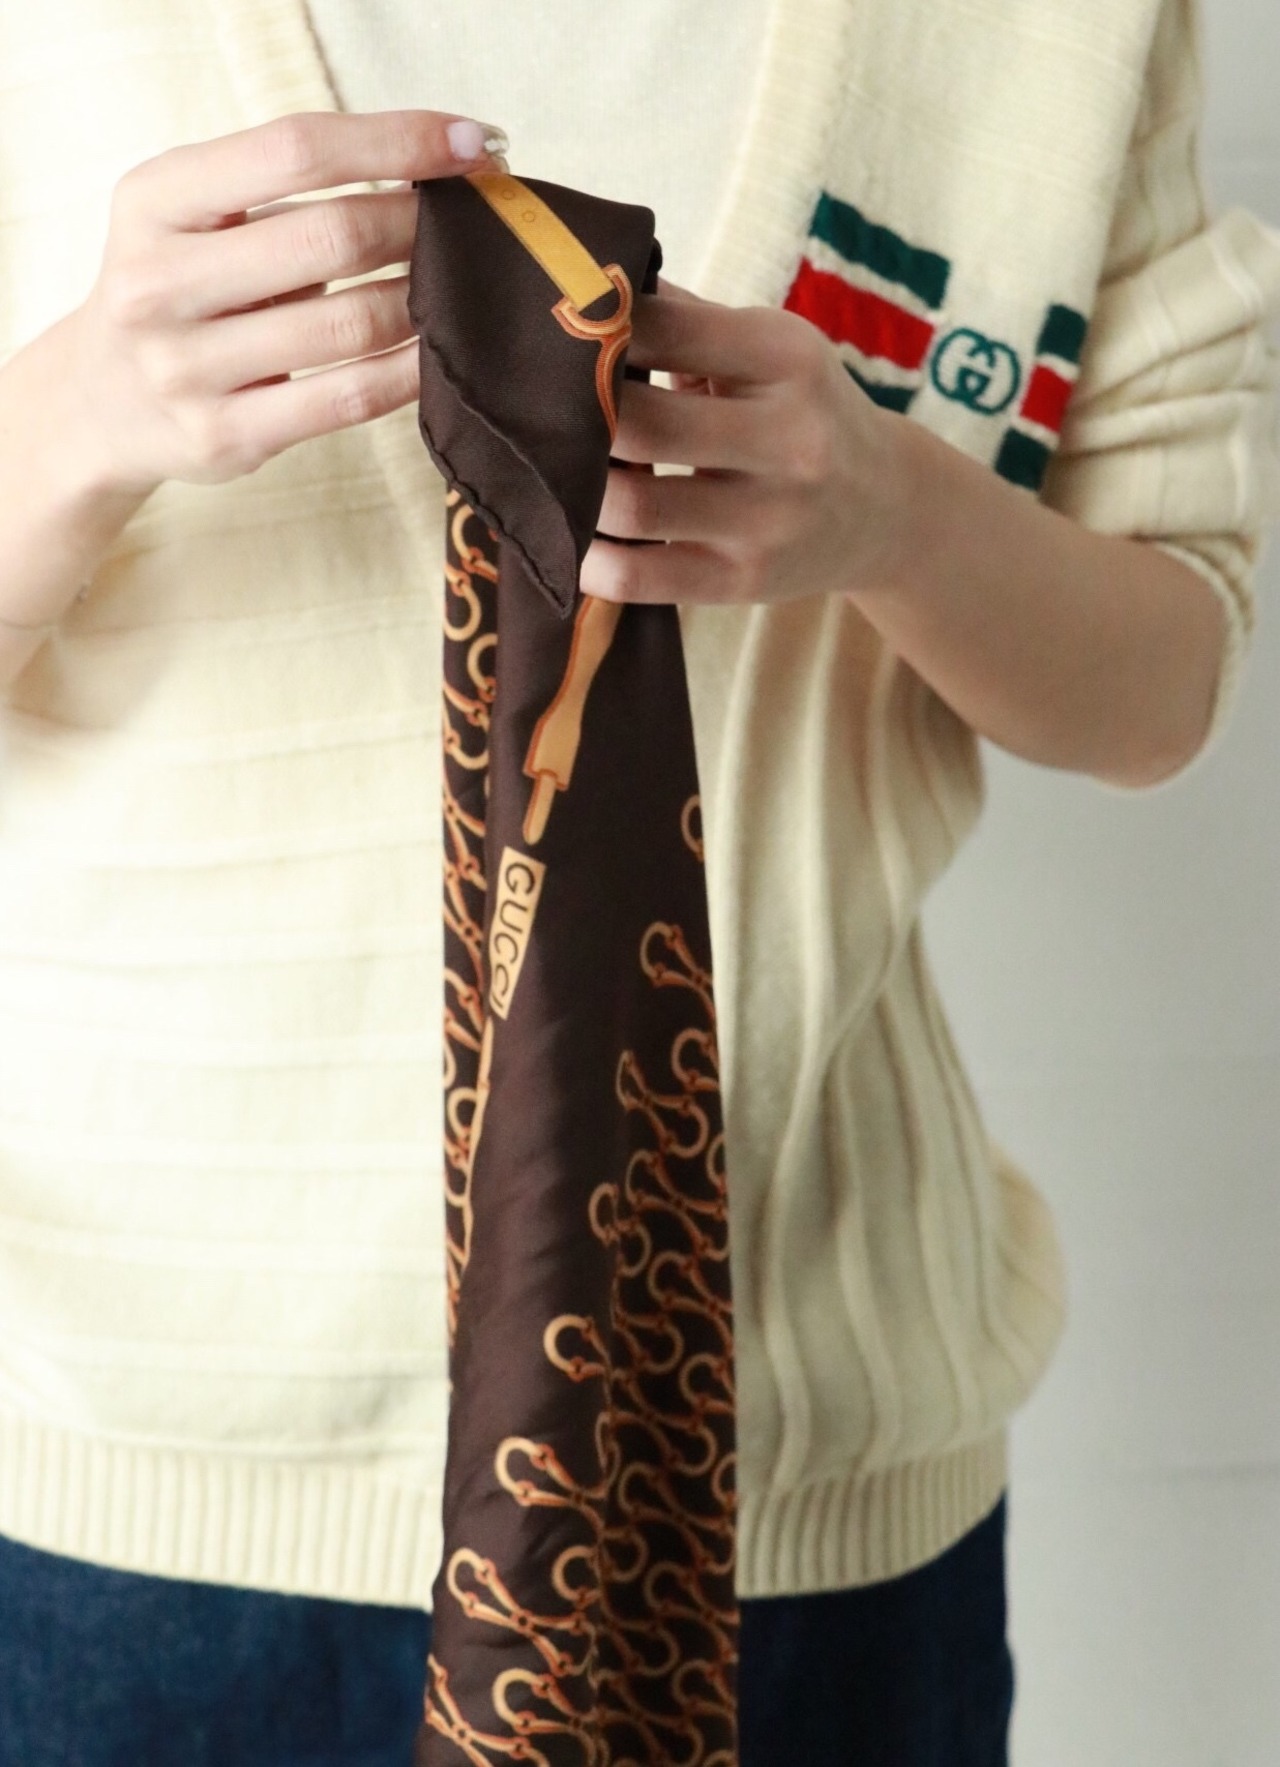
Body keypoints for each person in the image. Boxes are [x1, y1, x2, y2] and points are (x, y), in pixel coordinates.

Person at [0, 1, 1276, 1762]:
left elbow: (1162, 690)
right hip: (123, 1502)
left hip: (800, 1487)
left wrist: (900, 515)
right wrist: (66, 422)